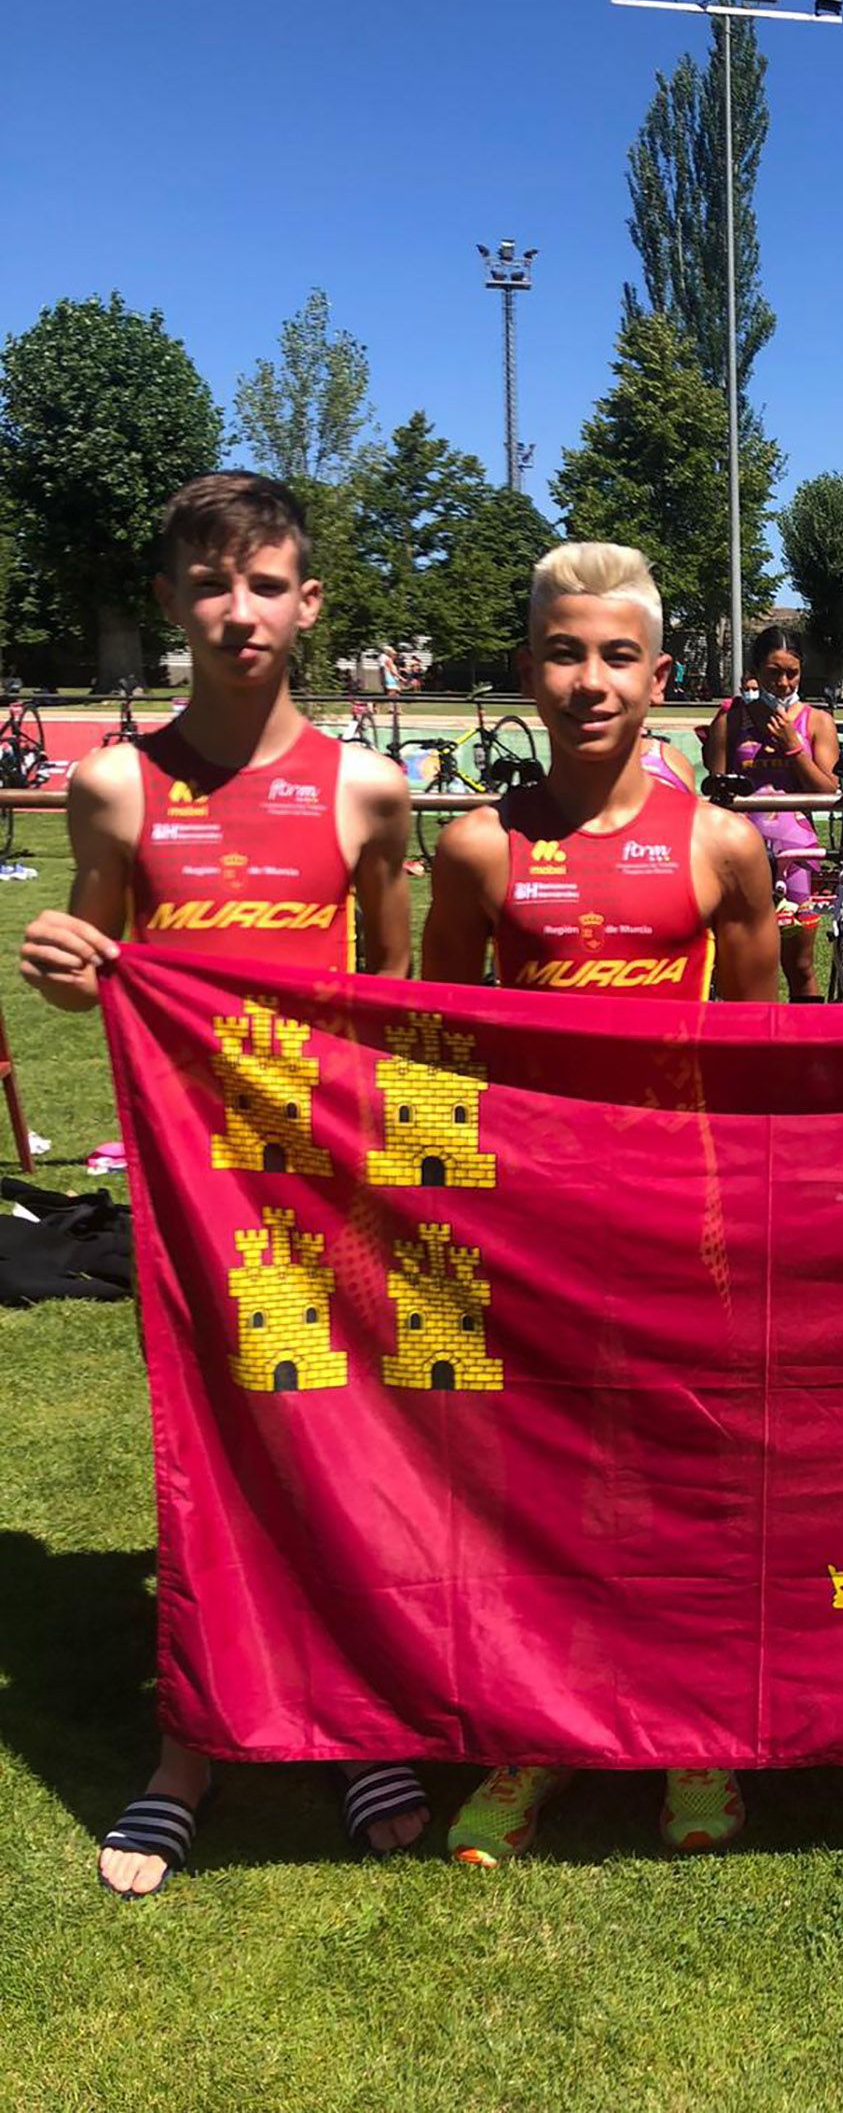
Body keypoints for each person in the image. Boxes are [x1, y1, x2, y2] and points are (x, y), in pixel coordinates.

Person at [19, 472, 419, 1897]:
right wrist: (70, 971)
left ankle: (348, 1720)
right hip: (194, 1195)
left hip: (321, 1187)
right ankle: (188, 1742)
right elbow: (107, 982)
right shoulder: (116, 784)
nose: (235, 609)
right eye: (209, 583)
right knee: (204, 1458)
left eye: (264, 583)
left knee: (339, 1442)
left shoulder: (370, 789)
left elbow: (398, 1009)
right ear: (173, 602)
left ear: (309, 604)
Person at [421, 540, 778, 1864]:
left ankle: (692, 1734)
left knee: (684, 1479)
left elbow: (762, 1059)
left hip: (682, 1228)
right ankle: (540, 1735)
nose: (588, 680)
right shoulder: (474, 849)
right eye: (564, 653)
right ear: (528, 670)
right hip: (529, 1230)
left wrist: (749, 1217)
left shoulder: (724, 847)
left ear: (661, 676)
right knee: (537, 1492)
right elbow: (429, 1055)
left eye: (616, 656)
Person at [706, 628, 840, 1000]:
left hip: (796, 857)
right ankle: (744, 1049)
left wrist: (793, 747)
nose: (783, 683)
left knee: (799, 966)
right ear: (755, 671)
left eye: (792, 673)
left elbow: (827, 790)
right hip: (738, 856)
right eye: (773, 673)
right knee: (735, 965)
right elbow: (716, 786)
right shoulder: (731, 719)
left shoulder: (817, 722)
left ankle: (806, 1051)